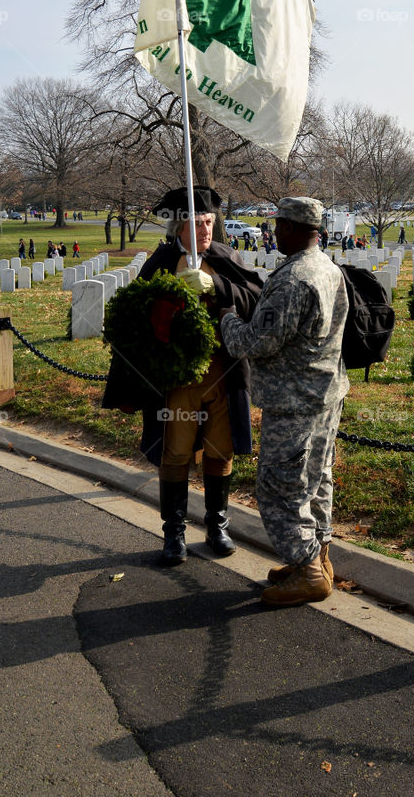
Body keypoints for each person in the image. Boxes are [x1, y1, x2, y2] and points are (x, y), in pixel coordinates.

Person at [102, 185, 263, 567]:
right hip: (177, 381)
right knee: (175, 452)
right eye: (197, 223)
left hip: (222, 375)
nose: (207, 230)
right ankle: (173, 530)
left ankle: (216, 524)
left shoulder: (226, 257)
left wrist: (218, 286)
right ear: (179, 227)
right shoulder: (159, 263)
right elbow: (137, 318)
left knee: (220, 450)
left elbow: (256, 296)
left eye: (210, 222)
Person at [220, 196, 349, 608]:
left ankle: (308, 571)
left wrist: (225, 315)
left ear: (292, 229)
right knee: (316, 479)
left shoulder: (294, 278)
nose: (274, 232)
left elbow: (256, 342)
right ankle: (317, 558)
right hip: (325, 393)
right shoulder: (327, 268)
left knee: (280, 487)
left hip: (294, 402)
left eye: (278, 226)